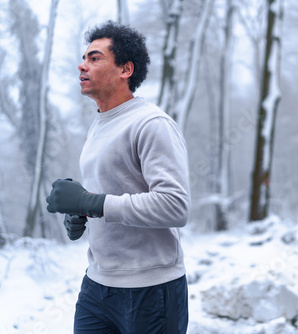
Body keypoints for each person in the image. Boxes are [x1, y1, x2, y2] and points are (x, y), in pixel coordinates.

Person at [46, 20, 190, 334]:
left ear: (125, 69)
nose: (82, 66)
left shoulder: (151, 123)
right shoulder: (100, 123)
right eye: (84, 58)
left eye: (94, 58)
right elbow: (114, 194)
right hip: (97, 286)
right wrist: (82, 212)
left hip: (151, 291)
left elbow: (175, 206)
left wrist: (93, 202)